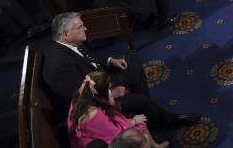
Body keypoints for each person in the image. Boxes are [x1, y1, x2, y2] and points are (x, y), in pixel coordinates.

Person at [42, 12, 198, 134]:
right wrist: (112, 93)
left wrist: (110, 60)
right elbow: (80, 97)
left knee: (134, 67)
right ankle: (166, 120)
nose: (85, 29)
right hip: (94, 105)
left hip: (100, 81)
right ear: (65, 34)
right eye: (80, 27)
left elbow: (89, 59)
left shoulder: (71, 43)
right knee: (140, 101)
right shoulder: (60, 66)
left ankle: (148, 117)